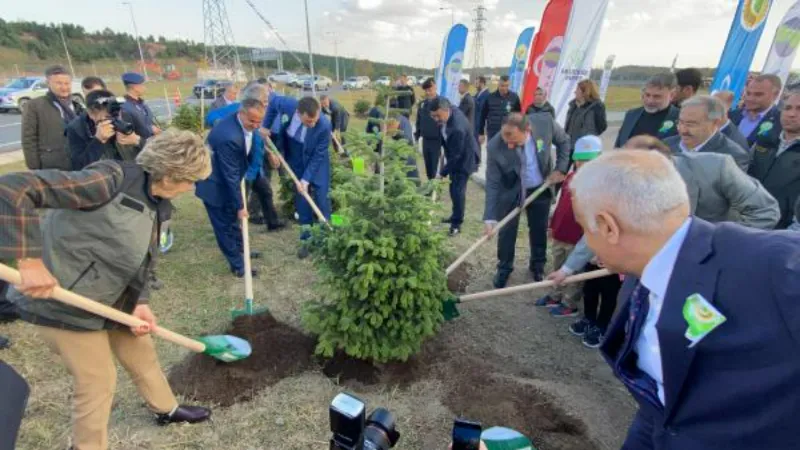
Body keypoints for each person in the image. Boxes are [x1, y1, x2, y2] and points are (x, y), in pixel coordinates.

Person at [569, 149, 800, 450]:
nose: (586, 241)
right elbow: (659, 402)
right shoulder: (639, 283)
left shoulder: (775, 264)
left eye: (585, 229)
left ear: (609, 227)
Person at [1, 131, 214, 450]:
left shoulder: (158, 201)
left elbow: (146, 257)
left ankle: (166, 410)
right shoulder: (108, 179)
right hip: (64, 304)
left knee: (142, 353)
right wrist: (29, 261)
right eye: (192, 181)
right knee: (97, 379)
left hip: (113, 301)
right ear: (171, 176)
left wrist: (140, 301)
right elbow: (14, 188)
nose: (193, 188)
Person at [484, 113, 569, 288]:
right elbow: (492, 182)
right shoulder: (494, 146)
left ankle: (537, 265)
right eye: (505, 136)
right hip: (511, 190)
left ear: (527, 130)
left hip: (540, 188)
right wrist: (490, 217)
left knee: (538, 229)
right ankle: (504, 268)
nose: (508, 143)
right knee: (507, 232)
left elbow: (565, 141)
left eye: (513, 139)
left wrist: (560, 168)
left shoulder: (545, 123)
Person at [195, 98, 265, 277]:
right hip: (214, 186)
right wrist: (241, 206)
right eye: (252, 121)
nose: (256, 125)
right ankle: (238, 265)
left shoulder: (238, 123)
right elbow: (230, 177)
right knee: (224, 226)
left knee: (234, 222)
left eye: (259, 121)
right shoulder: (229, 137)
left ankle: (242, 250)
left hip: (226, 180)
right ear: (241, 114)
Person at [535, 135, 602, 320]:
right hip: (561, 233)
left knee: (574, 272)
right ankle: (555, 294)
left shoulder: (599, 187)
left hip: (578, 238)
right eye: (579, 159)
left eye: (588, 160)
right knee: (557, 265)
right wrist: (552, 225)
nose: (582, 164)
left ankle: (569, 302)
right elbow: (561, 206)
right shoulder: (571, 177)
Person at [274, 97, 332, 258]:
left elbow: (319, 154)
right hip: (296, 159)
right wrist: (275, 150)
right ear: (299, 114)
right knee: (302, 202)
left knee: (322, 199)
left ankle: (324, 241)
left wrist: (306, 179)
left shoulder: (325, 125)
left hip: (317, 163)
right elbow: (271, 105)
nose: (312, 124)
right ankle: (306, 241)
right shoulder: (286, 107)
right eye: (308, 121)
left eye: (315, 121)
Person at [749, 88, 800, 229]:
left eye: (799, 109)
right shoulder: (764, 140)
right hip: (748, 221)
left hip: (782, 231)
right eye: (787, 108)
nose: (791, 114)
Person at [663, 95, 751, 171]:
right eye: (681, 122)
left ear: (715, 123)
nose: (683, 130)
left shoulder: (732, 156)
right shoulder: (666, 145)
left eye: (691, 124)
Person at [21, 65, 85, 170]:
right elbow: (29, 139)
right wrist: (35, 168)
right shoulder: (34, 106)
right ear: (48, 84)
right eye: (59, 83)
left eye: (67, 83)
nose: (64, 87)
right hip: (51, 167)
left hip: (78, 165)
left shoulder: (77, 106)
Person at [431, 97, 478, 236]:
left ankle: (456, 224)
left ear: (447, 110)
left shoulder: (457, 127)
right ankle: (454, 215)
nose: (435, 119)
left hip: (464, 161)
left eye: (438, 116)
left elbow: (456, 156)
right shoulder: (447, 114)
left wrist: (442, 173)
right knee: (453, 189)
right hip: (455, 156)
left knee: (458, 192)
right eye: (433, 116)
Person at [67, 90, 143, 170]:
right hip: (104, 177)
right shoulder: (76, 128)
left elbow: (151, 151)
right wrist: (98, 141)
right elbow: (78, 167)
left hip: (130, 172)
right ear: (91, 114)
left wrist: (138, 141)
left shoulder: (125, 117)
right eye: (107, 117)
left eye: (116, 115)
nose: (114, 120)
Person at [614, 73, 680, 148]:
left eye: (657, 96)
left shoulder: (680, 118)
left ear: (672, 95)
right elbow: (618, 146)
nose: (650, 101)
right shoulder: (631, 114)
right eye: (647, 95)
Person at [729, 74, 782, 149]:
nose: (750, 98)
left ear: (775, 94)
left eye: (758, 94)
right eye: (748, 93)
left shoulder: (781, 122)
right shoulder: (732, 115)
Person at [564, 79, 607, 162]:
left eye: (577, 90)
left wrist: (589, 135)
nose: (575, 92)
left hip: (585, 148)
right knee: (561, 171)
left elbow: (602, 126)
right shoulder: (573, 105)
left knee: (579, 172)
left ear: (585, 92)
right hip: (570, 145)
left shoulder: (597, 107)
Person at [478, 75, 522, 144]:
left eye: (506, 86)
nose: (504, 88)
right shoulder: (489, 98)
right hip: (493, 133)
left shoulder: (514, 97)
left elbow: (518, 116)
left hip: (509, 134)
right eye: (502, 85)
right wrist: (481, 133)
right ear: (498, 84)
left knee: (507, 154)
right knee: (492, 153)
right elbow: (482, 116)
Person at [120, 72, 161, 142]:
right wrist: (151, 130)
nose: (144, 87)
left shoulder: (141, 103)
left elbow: (149, 121)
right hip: (138, 147)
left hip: (150, 143)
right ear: (135, 87)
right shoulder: (124, 107)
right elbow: (128, 132)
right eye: (142, 85)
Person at [415, 78, 443, 180]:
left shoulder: (442, 102)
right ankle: (430, 190)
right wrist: (417, 137)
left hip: (437, 140)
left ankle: (435, 192)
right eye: (426, 90)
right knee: (428, 167)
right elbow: (419, 122)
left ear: (435, 87)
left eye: (430, 90)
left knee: (436, 169)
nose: (428, 92)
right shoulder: (423, 104)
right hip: (426, 140)